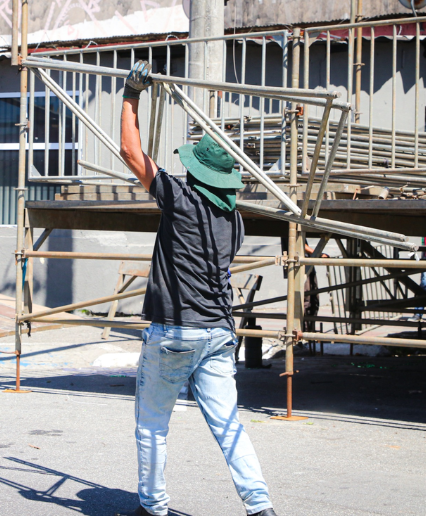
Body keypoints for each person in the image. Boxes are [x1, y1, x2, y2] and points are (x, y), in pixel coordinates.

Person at [119, 61, 276, 516]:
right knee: (229, 425)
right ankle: (260, 505)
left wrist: (132, 93)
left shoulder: (180, 199)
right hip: (217, 333)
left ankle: (153, 508)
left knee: (152, 425)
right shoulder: (236, 220)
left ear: (196, 175)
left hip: (174, 331)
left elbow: (132, 152)